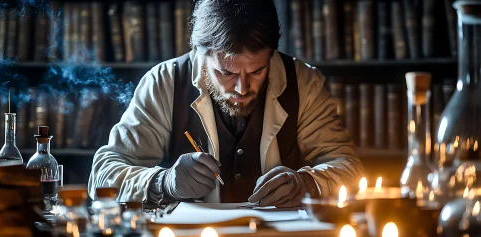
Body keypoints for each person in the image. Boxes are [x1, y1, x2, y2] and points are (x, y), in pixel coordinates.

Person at [88, 0, 363, 207]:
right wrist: (163, 182)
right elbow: (102, 175)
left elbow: (348, 167)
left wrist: (308, 183)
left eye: (257, 72)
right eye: (227, 73)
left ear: (272, 54)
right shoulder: (165, 82)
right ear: (202, 54)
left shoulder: (304, 82)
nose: (243, 88)